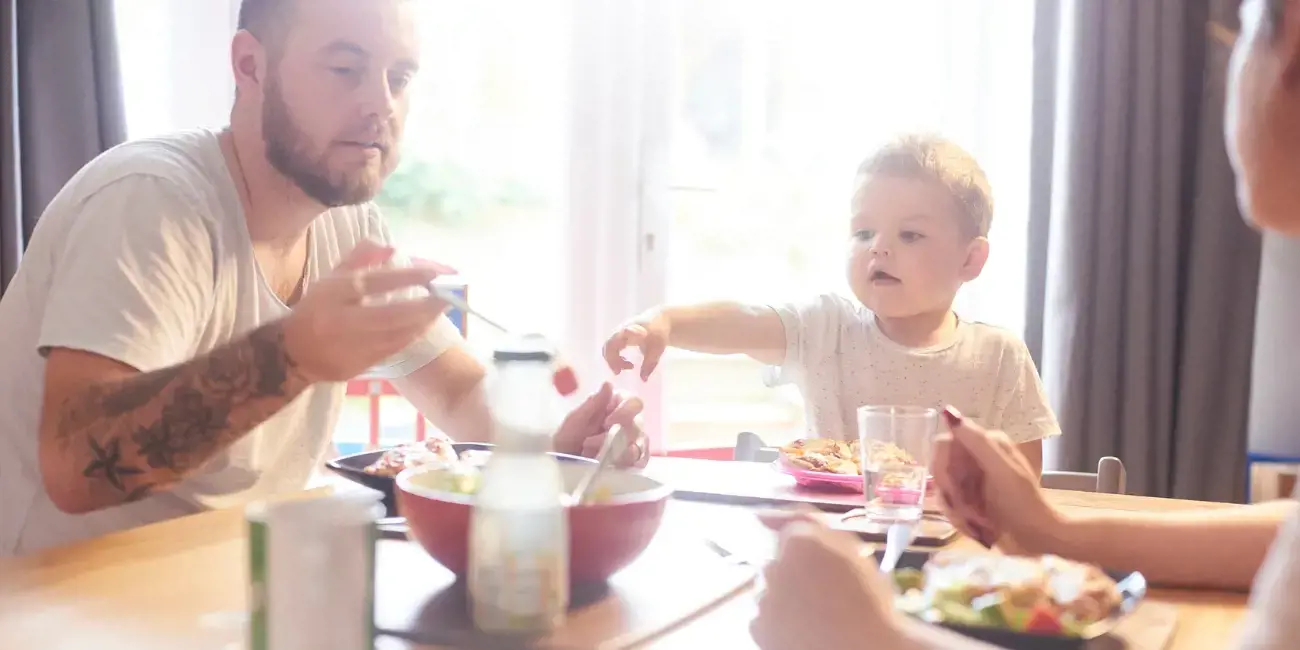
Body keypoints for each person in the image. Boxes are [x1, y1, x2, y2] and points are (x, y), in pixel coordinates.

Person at [0, 0, 648, 557]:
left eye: (400, 76)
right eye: (345, 70)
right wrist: (293, 354)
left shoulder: (348, 226)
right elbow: (76, 464)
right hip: (64, 606)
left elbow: (456, 392)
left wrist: (550, 448)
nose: (380, 104)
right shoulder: (150, 203)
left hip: (236, 588)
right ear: (250, 66)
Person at [748, 0, 1300, 647]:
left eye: (1243, 31)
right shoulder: (829, 323)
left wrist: (872, 636)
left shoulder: (997, 350)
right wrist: (1052, 530)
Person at [603, 134, 1058, 474]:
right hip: (834, 550)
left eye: (910, 235)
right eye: (863, 232)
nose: (878, 248)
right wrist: (665, 322)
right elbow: (745, 320)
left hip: (952, 560)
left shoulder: (999, 356)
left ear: (970, 259)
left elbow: (1023, 489)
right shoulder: (826, 328)